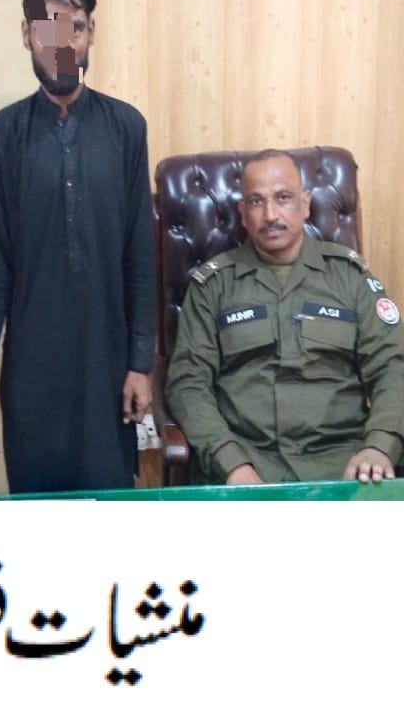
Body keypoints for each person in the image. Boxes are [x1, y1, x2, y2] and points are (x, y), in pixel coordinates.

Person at [0, 0, 155, 493]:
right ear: (27, 34)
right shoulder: (3, 136)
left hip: (108, 370)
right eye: (48, 28)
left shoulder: (126, 129)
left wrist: (141, 363)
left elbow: (140, 257)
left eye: (76, 27)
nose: (62, 44)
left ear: (91, 32)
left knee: (110, 513)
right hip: (32, 375)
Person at [167, 149, 404, 484]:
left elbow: (393, 366)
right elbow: (188, 383)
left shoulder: (350, 278)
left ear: (305, 204)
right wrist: (230, 462)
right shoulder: (213, 285)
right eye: (256, 201)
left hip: (345, 464)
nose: (270, 215)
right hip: (247, 463)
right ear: (242, 213)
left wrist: (379, 445)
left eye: (283, 198)